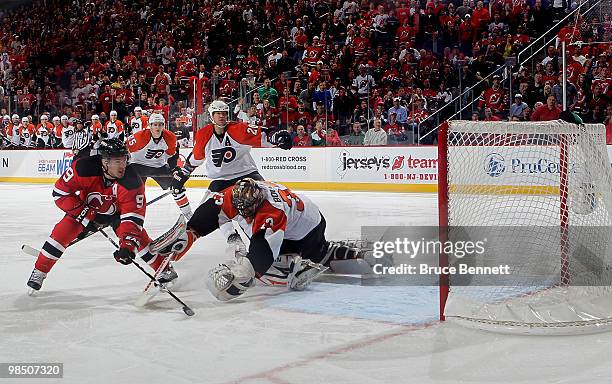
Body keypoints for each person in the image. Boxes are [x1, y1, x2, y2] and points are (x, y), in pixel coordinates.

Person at [153, 179, 372, 301]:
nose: (245, 214)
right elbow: (212, 211)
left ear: (259, 202)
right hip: (306, 217)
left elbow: (262, 252)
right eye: (242, 210)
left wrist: (242, 274)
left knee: (272, 271)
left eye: (250, 211)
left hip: (306, 228)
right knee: (318, 252)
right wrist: (191, 232)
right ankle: (324, 255)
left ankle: (294, 268)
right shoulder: (237, 193)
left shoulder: (270, 211)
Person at [27, 138, 167, 294]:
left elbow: (133, 216)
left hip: (117, 215)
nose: (123, 165)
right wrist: (86, 214)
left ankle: (164, 270)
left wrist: (128, 245)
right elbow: (60, 193)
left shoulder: (132, 180)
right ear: (105, 162)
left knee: (139, 240)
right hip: (86, 209)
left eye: (124, 160)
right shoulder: (83, 168)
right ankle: (40, 271)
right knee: (61, 233)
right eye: (117, 161)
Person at [171, 99, 292, 255]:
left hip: (248, 176)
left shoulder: (238, 129)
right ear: (211, 116)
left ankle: (274, 247)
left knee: (257, 212)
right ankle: (233, 238)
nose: (221, 116)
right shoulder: (204, 135)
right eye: (218, 114)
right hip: (220, 181)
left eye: (224, 113)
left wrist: (276, 137)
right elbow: (195, 158)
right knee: (209, 212)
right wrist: (183, 173)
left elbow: (263, 134)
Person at [127, 113, 192, 218]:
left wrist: (174, 169)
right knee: (133, 192)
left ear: (164, 125)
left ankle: (189, 215)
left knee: (177, 186)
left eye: (160, 124)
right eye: (155, 124)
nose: (158, 127)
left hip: (158, 167)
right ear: (150, 125)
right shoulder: (139, 136)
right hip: (137, 166)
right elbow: (124, 151)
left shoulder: (170, 137)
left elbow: (172, 155)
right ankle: (128, 216)